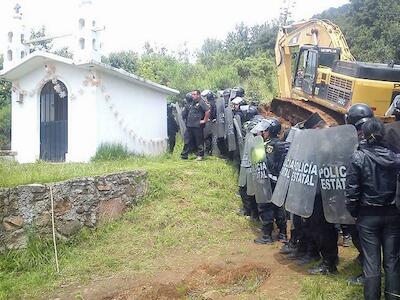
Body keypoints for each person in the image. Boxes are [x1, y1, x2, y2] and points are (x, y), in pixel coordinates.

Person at [345, 117, 400, 300]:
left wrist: (354, 212)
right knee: (392, 261)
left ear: (364, 134)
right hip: (393, 214)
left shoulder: (358, 157)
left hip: (367, 216)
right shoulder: (395, 158)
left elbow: (352, 191)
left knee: (371, 263)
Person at [344, 103, 374, 284]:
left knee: (362, 235)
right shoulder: (379, 135)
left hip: (365, 199)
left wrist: (352, 206)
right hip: (382, 197)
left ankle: (367, 270)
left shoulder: (356, 141)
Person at [251, 119, 287, 244]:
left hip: (268, 181)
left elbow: (265, 164)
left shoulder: (268, 146)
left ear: (270, 131)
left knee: (266, 206)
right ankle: (283, 234)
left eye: (265, 130)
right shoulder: (283, 144)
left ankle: (267, 236)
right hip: (280, 182)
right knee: (279, 207)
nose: (263, 132)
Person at [181, 90, 210, 160]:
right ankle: (184, 155)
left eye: (194, 94)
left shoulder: (201, 102)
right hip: (189, 125)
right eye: (192, 94)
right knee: (187, 140)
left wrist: (204, 120)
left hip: (197, 125)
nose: (192, 96)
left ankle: (200, 155)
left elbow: (207, 111)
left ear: (198, 95)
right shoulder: (191, 103)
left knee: (199, 141)